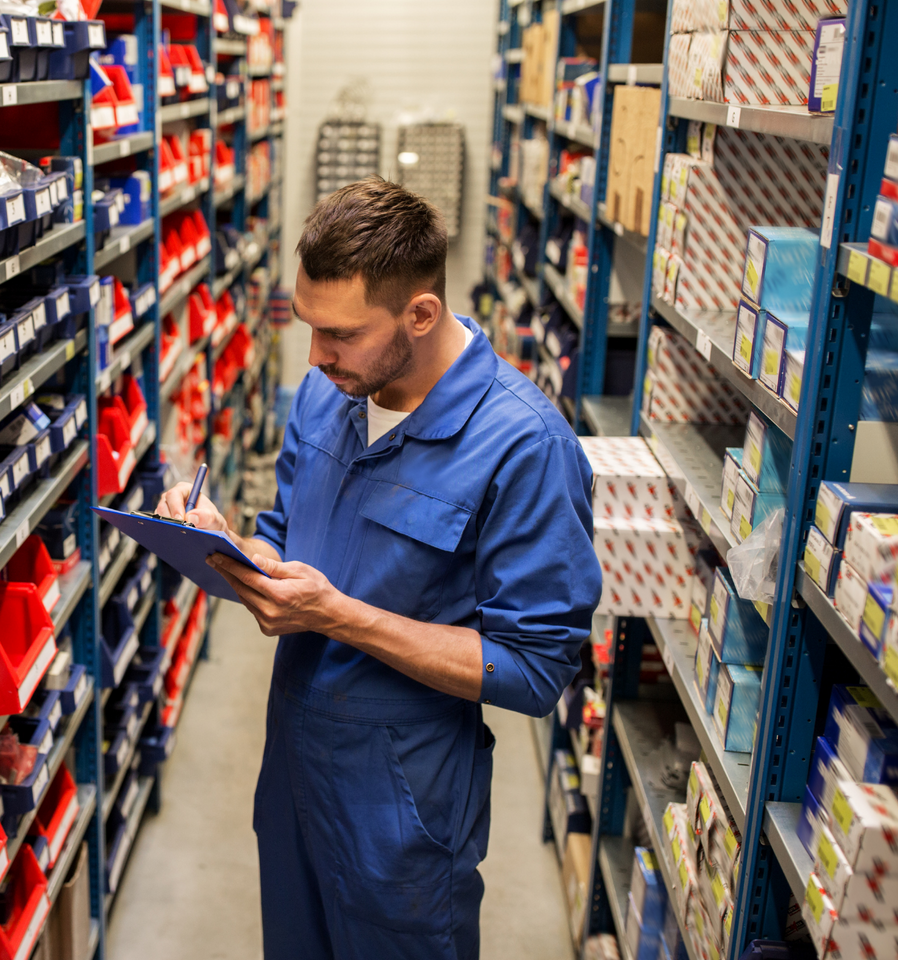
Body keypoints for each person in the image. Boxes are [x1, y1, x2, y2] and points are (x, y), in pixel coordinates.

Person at [155, 177, 603, 960]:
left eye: (342, 334)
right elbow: (282, 542)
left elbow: (534, 671)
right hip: (294, 772)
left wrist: (338, 616)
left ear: (419, 314)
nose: (315, 355)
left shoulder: (523, 445)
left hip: (402, 808)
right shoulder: (326, 395)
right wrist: (224, 546)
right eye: (308, 326)